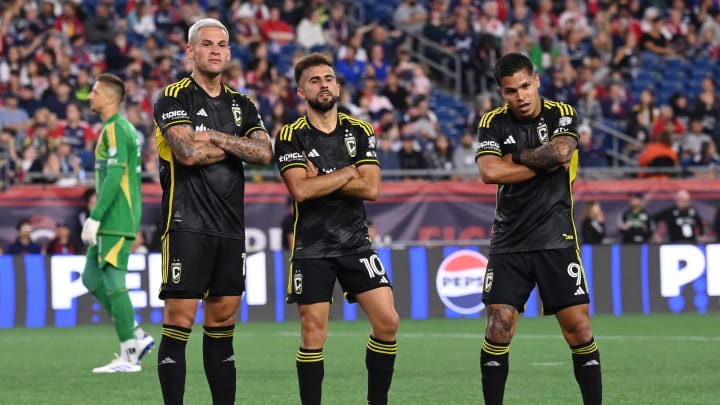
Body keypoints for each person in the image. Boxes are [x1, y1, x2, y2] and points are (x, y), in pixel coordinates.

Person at [153, 18, 273, 405]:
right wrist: (238, 145)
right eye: (207, 44)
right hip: (186, 223)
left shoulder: (243, 103)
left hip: (230, 228)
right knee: (179, 322)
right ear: (190, 50)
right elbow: (187, 154)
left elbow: (265, 153)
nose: (216, 50)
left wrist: (217, 137)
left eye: (222, 44)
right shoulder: (172, 98)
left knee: (222, 324)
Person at [474, 53, 602, 405]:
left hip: (555, 237)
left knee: (578, 329)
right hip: (508, 241)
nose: (521, 96)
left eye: (526, 86)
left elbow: (561, 153)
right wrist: (538, 160)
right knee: (498, 328)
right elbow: (490, 173)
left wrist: (512, 158)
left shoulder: (561, 113)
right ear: (502, 93)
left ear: (537, 80)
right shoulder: (492, 122)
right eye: (511, 91)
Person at [274, 52, 399, 405]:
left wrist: (326, 178)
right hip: (312, 247)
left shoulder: (359, 130)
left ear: (338, 86)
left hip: (356, 244)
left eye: (328, 79)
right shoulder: (290, 136)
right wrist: (348, 172)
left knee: (388, 322)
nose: (323, 85)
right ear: (301, 92)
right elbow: (301, 189)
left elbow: (371, 189)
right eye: (314, 80)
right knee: (313, 333)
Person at [80, 73, 154, 373]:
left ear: (110, 98)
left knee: (112, 281)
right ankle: (135, 333)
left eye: (95, 91)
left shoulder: (115, 129)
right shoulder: (117, 128)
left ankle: (130, 354)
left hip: (115, 217)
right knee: (90, 278)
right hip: (115, 216)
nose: (90, 96)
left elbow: (114, 176)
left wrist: (95, 216)